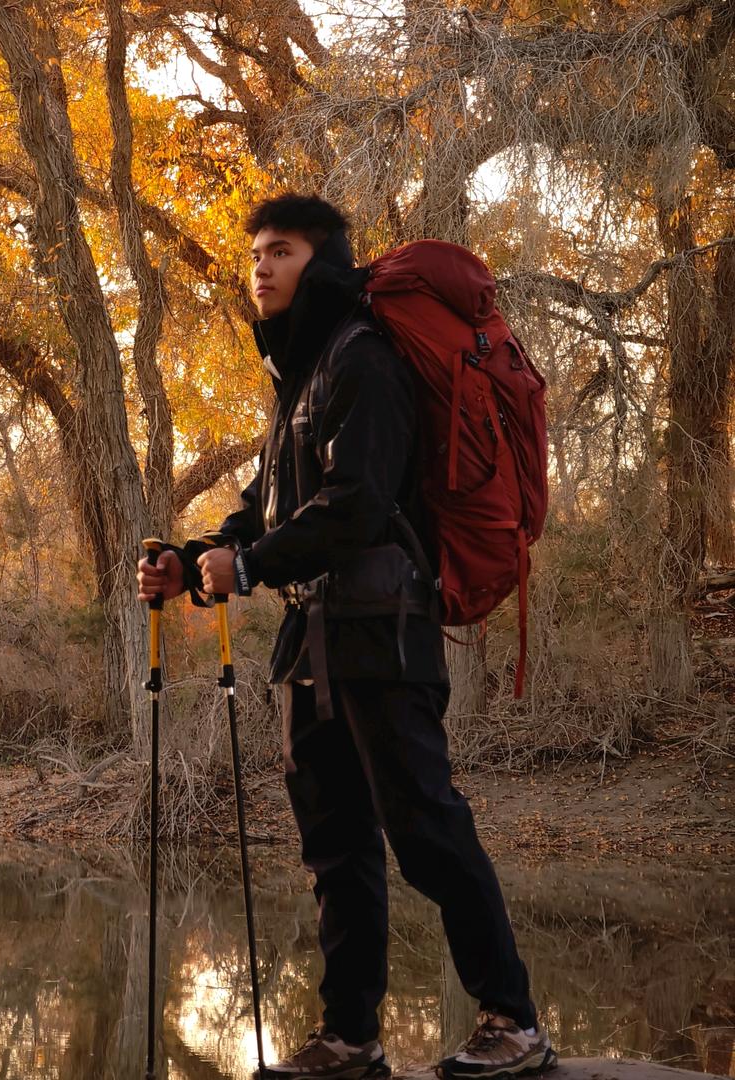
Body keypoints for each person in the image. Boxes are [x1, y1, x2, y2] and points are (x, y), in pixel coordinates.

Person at [136, 193, 555, 1080]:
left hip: (383, 633)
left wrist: (251, 567)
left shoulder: (364, 357)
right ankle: (351, 1039)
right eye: (256, 253)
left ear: (321, 263)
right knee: (336, 850)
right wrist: (193, 562)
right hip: (313, 641)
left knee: (426, 829)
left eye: (280, 251)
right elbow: (265, 510)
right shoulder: (301, 374)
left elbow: (356, 505)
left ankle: (514, 1022)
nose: (260, 267)